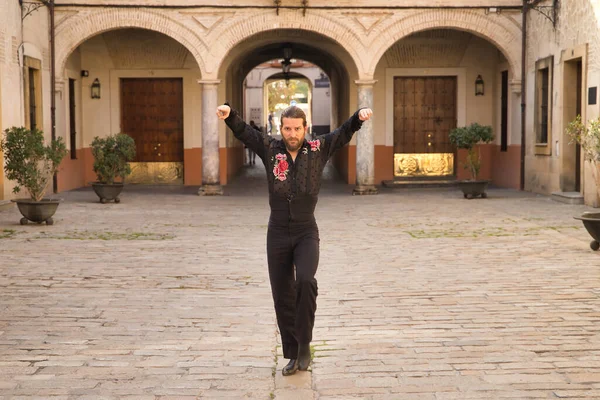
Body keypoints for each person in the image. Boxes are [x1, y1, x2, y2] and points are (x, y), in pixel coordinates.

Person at [217, 103, 373, 376]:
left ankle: (305, 345)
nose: (292, 133)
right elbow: (245, 133)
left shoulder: (318, 149)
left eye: (297, 128)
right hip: (276, 231)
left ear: (305, 128)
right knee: (282, 295)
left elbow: (343, 132)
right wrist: (229, 114)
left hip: (305, 231)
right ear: (281, 128)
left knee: (305, 281)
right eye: (287, 128)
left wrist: (358, 117)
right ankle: (292, 353)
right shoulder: (270, 149)